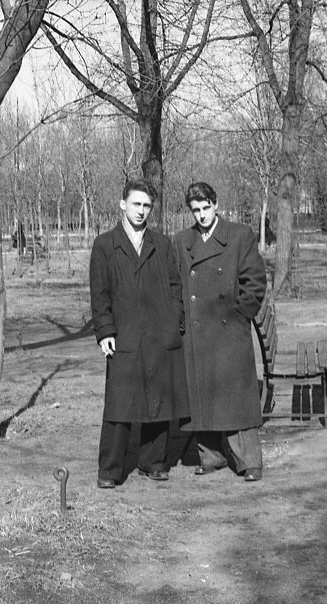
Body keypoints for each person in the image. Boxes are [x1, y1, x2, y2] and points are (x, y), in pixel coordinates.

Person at [89, 178, 189, 489]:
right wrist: (105, 330)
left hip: (159, 335)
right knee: (119, 403)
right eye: (136, 204)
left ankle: (153, 462)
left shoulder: (162, 244)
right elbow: (99, 295)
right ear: (123, 204)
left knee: (158, 401)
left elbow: (175, 287)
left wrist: (174, 322)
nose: (141, 211)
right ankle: (110, 470)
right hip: (124, 335)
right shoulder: (105, 245)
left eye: (147, 205)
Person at [172, 182, 268, 482]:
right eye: (195, 210)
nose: (201, 215)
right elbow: (175, 283)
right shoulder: (182, 240)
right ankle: (211, 456)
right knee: (201, 394)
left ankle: (249, 461)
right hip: (196, 331)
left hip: (229, 329)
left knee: (236, 396)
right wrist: (181, 320)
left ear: (216, 205)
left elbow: (255, 281)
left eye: (206, 208)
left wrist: (239, 316)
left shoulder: (239, 235)